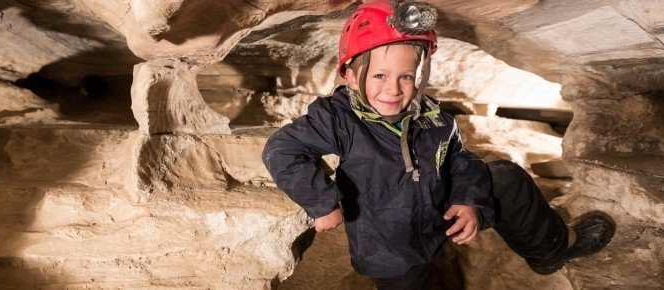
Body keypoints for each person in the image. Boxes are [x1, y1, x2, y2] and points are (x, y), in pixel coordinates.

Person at [261, 0, 616, 289]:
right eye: (380, 75)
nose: (394, 89)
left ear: (421, 75)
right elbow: (283, 150)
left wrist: (468, 199)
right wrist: (322, 203)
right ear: (351, 75)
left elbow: (461, 159)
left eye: (406, 76)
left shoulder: (433, 116)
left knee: (505, 176)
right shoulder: (338, 118)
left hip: (441, 213)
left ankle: (552, 249)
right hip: (392, 245)